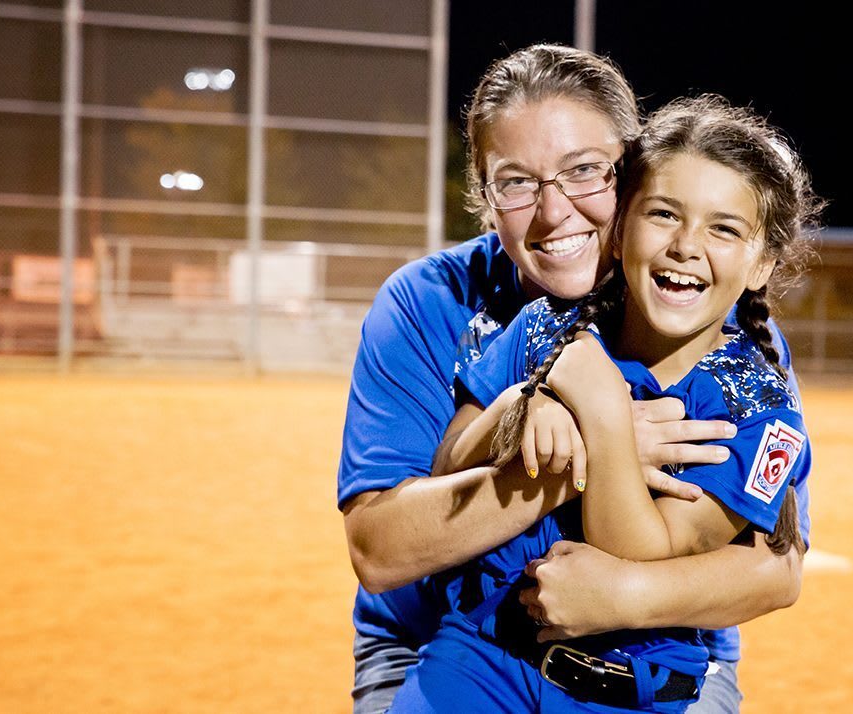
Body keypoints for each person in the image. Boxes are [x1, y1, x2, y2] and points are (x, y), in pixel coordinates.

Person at [338, 46, 809, 714]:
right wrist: (576, 441)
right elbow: (379, 552)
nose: (555, 213)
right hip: (447, 648)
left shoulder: (722, 334)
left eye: (584, 172)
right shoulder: (430, 302)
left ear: (629, 174)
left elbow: (777, 569)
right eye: (517, 182)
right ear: (485, 196)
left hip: (653, 661)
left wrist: (623, 596)